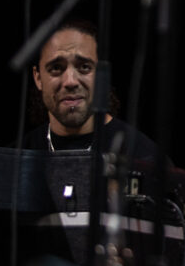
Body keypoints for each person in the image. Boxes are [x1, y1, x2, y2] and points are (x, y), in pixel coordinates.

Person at [21, 20, 160, 164]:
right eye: (56, 68)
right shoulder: (16, 159)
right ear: (38, 78)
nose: (70, 81)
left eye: (84, 67)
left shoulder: (145, 158)